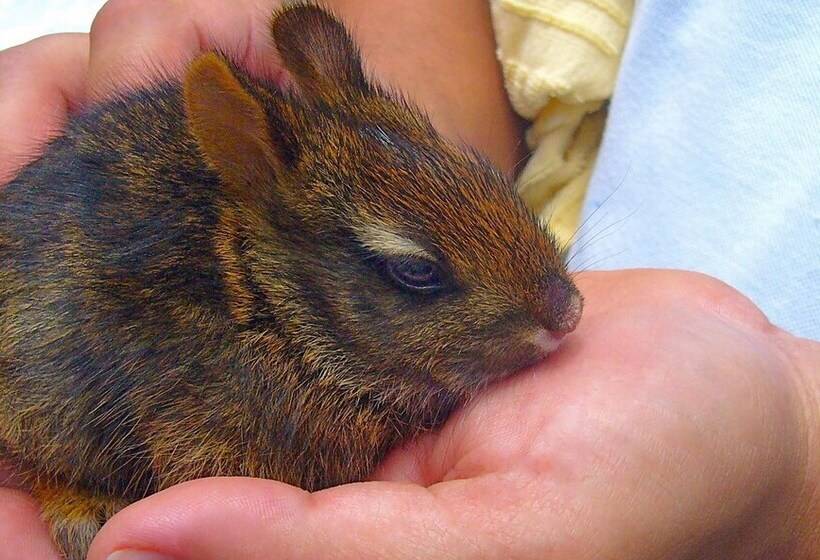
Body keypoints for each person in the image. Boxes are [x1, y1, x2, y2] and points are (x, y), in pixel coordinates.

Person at [0, 1, 817, 559]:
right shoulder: (263, 375)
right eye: (418, 275)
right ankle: (63, 480)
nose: (563, 313)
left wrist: (794, 449)